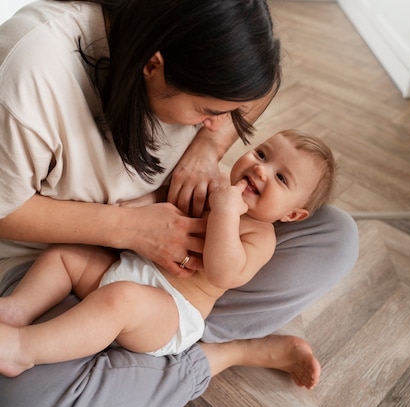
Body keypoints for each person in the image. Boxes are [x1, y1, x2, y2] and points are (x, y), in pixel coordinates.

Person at [0, 0, 358, 407]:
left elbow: (257, 94)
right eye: (207, 111)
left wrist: (207, 148)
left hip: (167, 297)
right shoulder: (33, 73)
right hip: (60, 255)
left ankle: (203, 351)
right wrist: (130, 229)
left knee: (337, 235)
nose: (223, 125)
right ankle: (205, 353)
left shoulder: (184, 30)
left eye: (227, 115)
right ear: (155, 63)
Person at [0, 129, 335, 385]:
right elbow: (170, 199)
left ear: (292, 215)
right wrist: (142, 206)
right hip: (126, 268)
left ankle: (22, 349)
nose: (261, 170)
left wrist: (225, 213)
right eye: (262, 154)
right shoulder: (216, 183)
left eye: (280, 177)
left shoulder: (260, 237)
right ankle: (18, 308)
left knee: (121, 301)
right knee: (66, 253)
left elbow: (223, 271)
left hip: (171, 312)